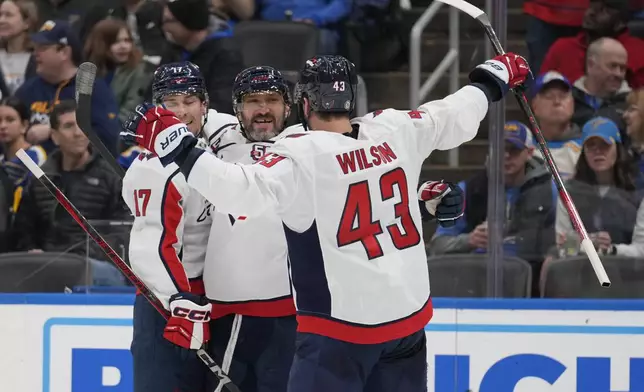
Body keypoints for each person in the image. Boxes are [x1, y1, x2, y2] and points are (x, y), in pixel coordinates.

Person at [121, 53, 530, 391]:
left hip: (340, 331)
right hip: (408, 323)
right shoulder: (395, 128)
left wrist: (176, 145)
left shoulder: (298, 157)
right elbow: (452, 112)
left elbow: (238, 192)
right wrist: (492, 79)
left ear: (300, 103)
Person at [121, 61, 218, 392]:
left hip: (212, 300)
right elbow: (152, 244)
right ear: (157, 108)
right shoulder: (154, 168)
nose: (180, 112)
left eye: (189, 101)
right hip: (170, 304)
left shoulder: (210, 149)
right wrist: (180, 301)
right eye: (171, 103)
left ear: (205, 105)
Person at [203, 65, 299, 392]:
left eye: (272, 100)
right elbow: (186, 111)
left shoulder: (307, 145)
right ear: (236, 107)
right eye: (252, 100)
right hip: (226, 307)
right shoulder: (217, 137)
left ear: (288, 107)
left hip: (291, 308)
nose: (262, 109)